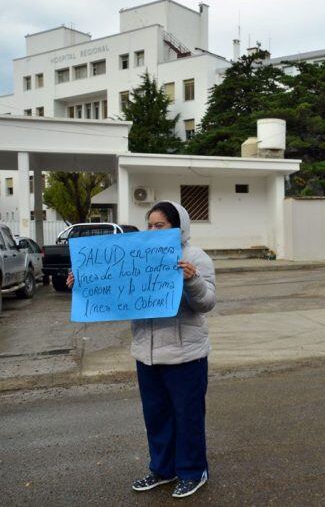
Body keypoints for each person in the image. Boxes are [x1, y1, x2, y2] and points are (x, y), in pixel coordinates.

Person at [68, 201, 215, 498]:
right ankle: (162, 470)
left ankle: (192, 471)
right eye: (149, 225)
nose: (152, 230)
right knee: (156, 416)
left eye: (159, 226)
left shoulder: (195, 257)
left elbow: (207, 303)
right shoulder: (138, 254)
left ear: (179, 227)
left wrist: (193, 280)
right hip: (146, 355)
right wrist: (84, 284)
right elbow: (116, 290)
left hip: (185, 354)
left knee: (187, 416)